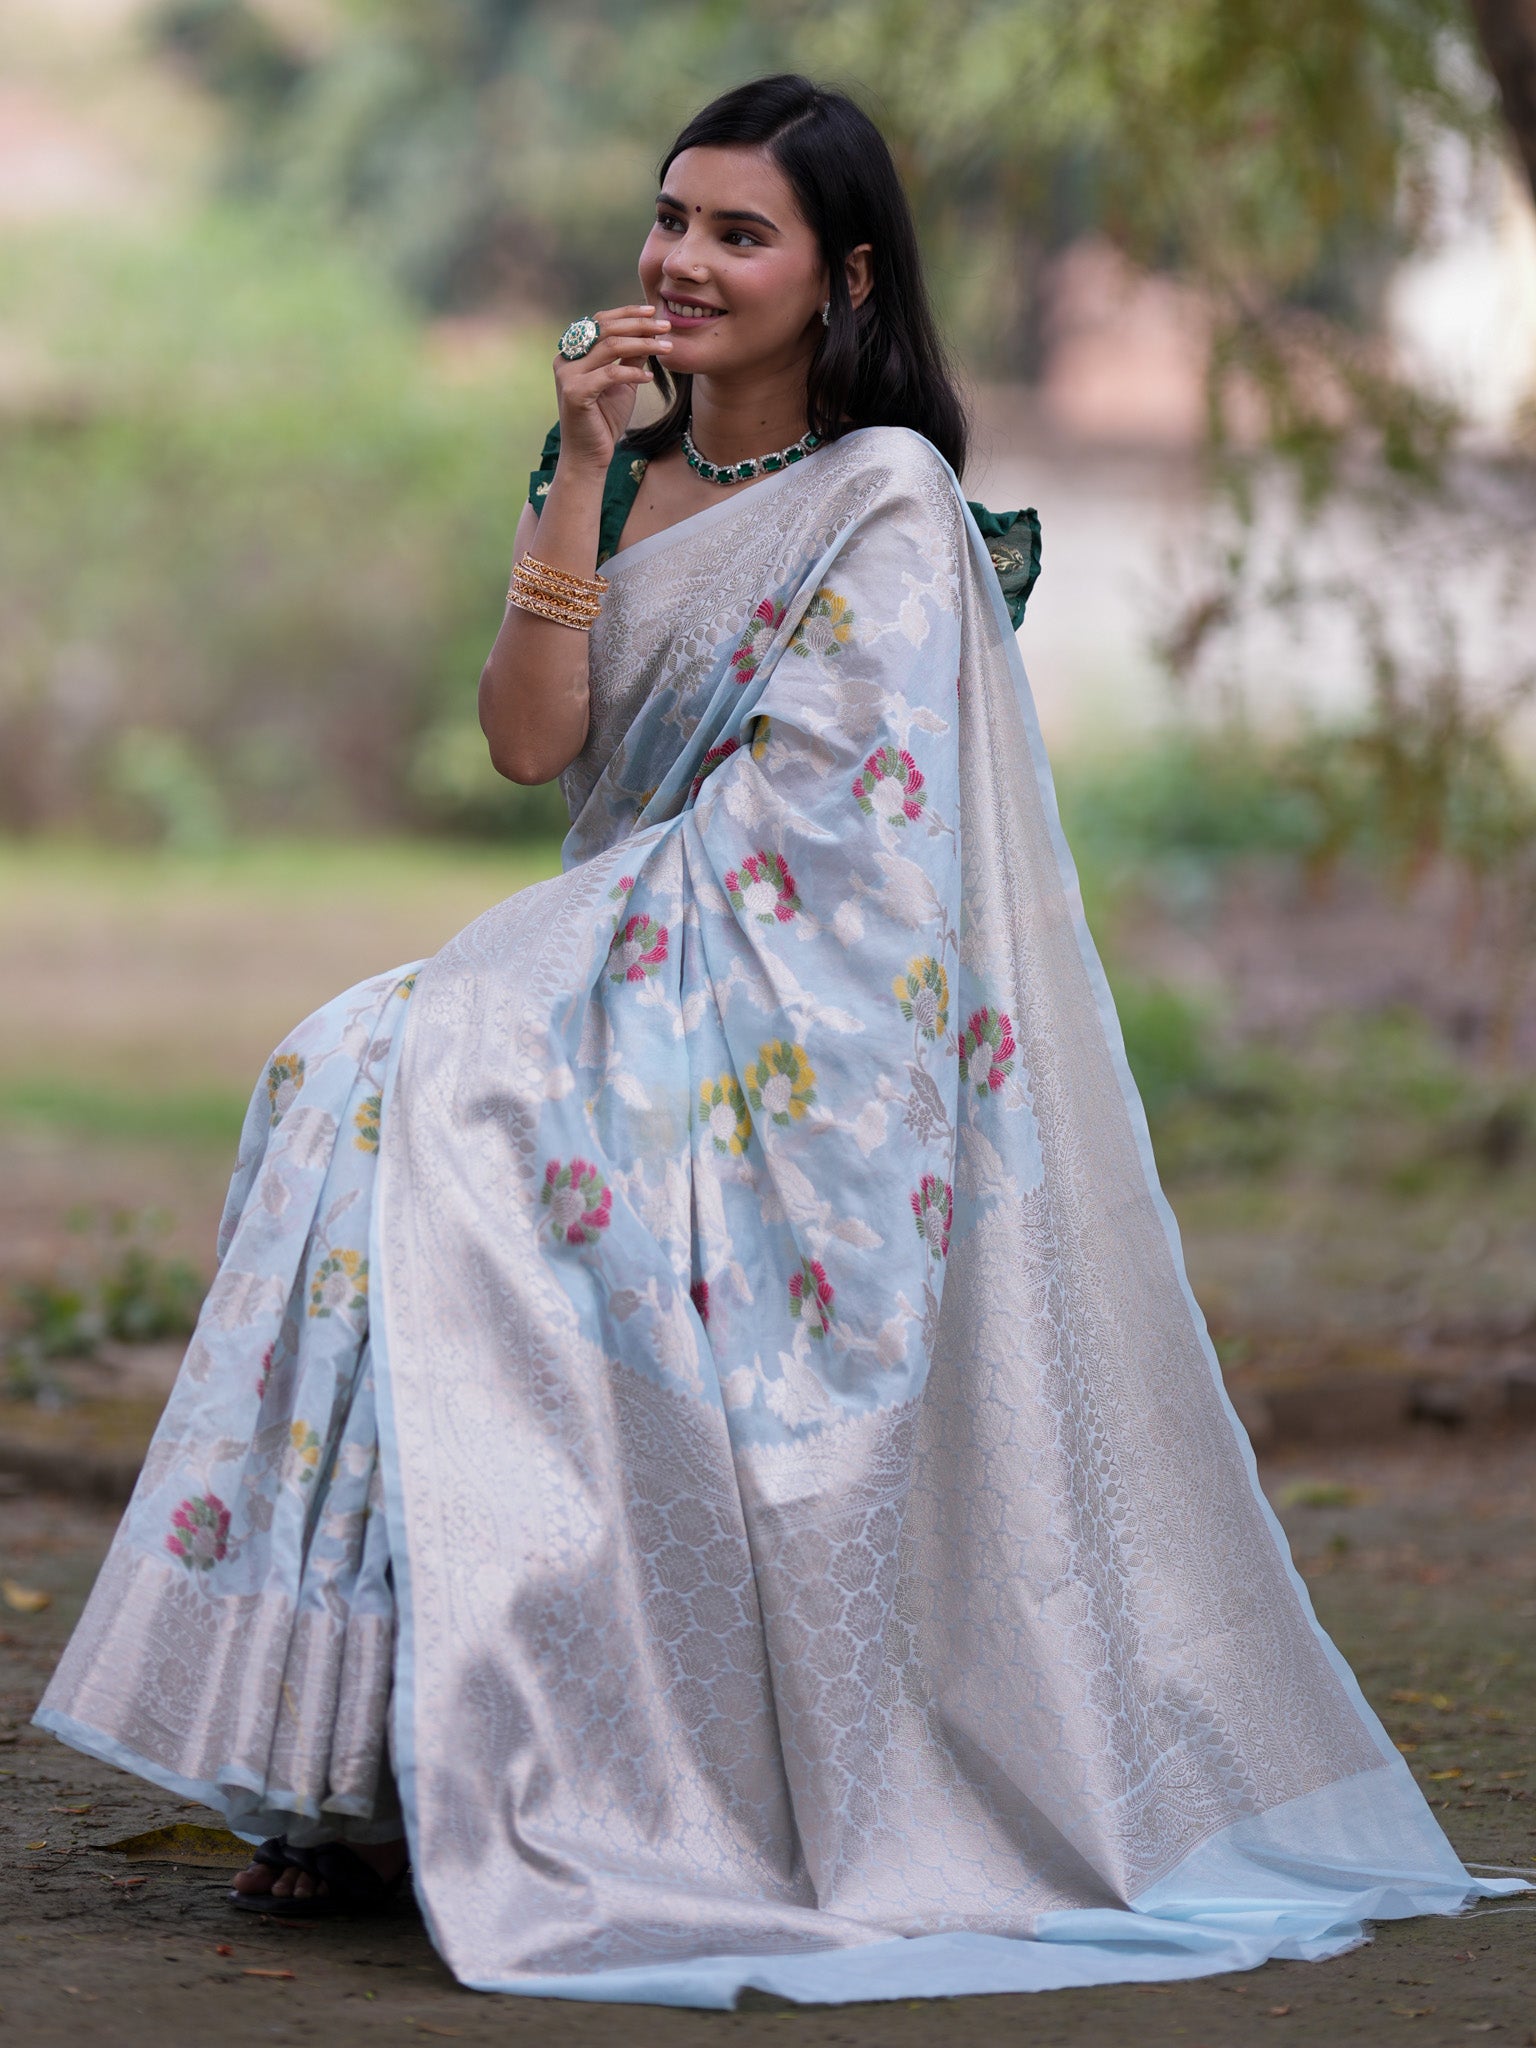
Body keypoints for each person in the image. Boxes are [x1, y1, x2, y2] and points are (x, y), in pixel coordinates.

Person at [36, 73, 1521, 2008]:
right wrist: (577, 467)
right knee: (344, 1083)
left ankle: (511, 1762)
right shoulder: (616, 472)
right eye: (674, 219)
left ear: (843, 278)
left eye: (743, 233)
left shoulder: (887, 500)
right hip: (611, 961)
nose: (686, 260)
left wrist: (564, 991)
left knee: (424, 1089)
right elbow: (528, 746)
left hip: (788, 1023)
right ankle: (343, 1773)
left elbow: (853, 857)